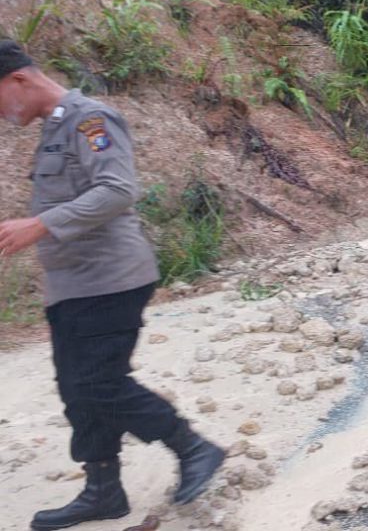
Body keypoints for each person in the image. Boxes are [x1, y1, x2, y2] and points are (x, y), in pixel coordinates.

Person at [0, 40, 224, 530]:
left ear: (18, 79)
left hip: (110, 280)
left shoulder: (90, 120)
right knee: (76, 390)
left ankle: (192, 447)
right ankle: (103, 490)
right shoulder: (54, 128)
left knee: (97, 383)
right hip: (72, 286)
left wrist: (40, 224)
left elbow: (118, 190)